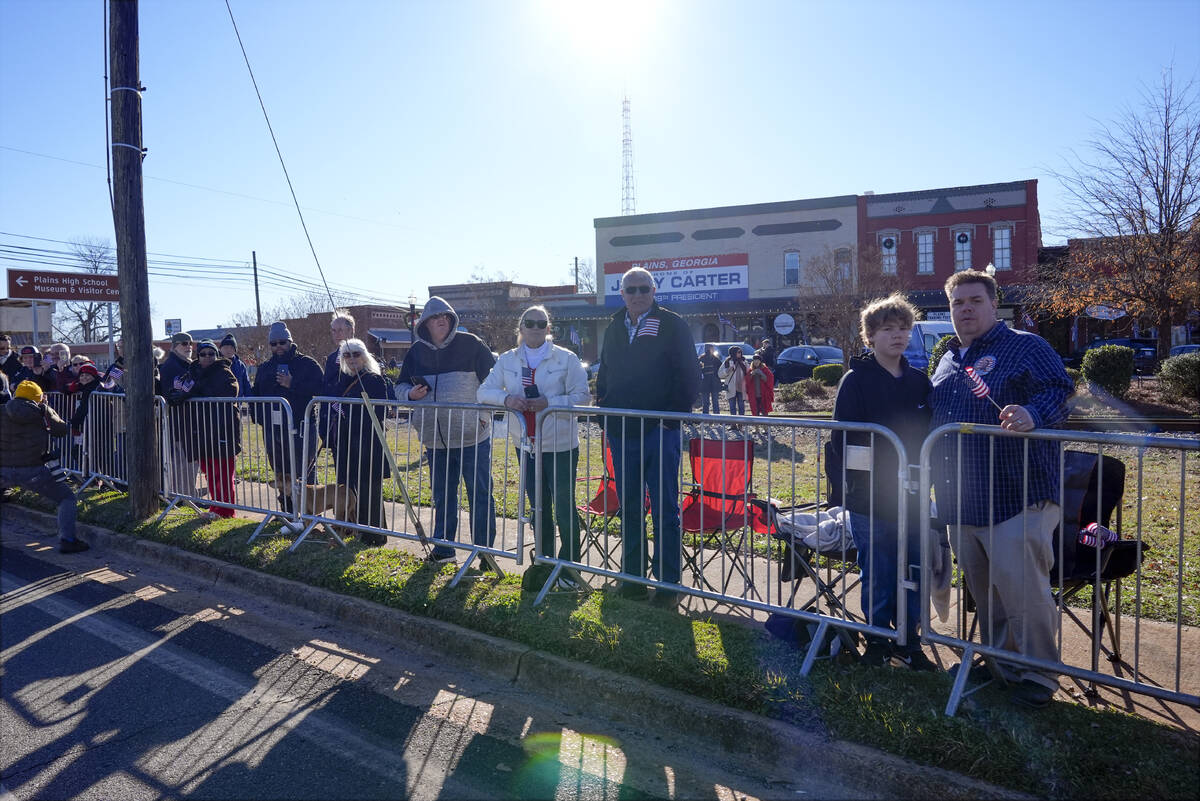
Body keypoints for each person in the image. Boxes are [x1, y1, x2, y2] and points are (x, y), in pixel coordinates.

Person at [929, 270, 1074, 709]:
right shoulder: (948, 359)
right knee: (987, 593)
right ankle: (999, 664)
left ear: (995, 306)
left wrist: (1034, 412)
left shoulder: (1026, 345)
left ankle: (1038, 676)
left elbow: (1062, 391)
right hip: (963, 500)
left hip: (1018, 494)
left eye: (975, 300)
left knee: (1022, 590)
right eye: (958, 302)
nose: (966, 309)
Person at [828, 294, 935, 671]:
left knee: (915, 569)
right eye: (888, 329)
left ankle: (910, 642)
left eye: (904, 328)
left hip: (914, 494)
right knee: (878, 568)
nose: (898, 336)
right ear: (870, 336)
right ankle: (877, 640)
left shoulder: (921, 382)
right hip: (870, 497)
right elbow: (842, 439)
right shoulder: (855, 381)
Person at [596, 267, 698, 603]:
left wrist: (671, 419)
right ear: (621, 293)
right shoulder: (612, 328)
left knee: (666, 508)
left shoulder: (672, 324)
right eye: (631, 289)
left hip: (660, 431)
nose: (637, 294)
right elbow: (605, 375)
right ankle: (633, 579)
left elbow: (689, 374)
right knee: (629, 507)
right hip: (623, 433)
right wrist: (605, 415)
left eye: (643, 288)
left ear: (653, 291)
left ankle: (669, 584)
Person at [478, 305, 591, 587]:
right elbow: (484, 391)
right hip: (526, 445)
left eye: (541, 323)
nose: (536, 327)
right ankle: (544, 562)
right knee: (538, 506)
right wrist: (507, 400)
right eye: (530, 323)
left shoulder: (566, 358)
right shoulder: (507, 360)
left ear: (548, 328)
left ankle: (569, 568)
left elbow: (583, 396)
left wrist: (549, 403)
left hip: (560, 444)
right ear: (521, 327)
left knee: (564, 507)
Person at [395, 297, 497, 564]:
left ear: (452, 320)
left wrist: (483, 416)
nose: (441, 320)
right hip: (435, 440)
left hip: (473, 436)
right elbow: (399, 387)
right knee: (442, 495)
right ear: (425, 324)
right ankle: (443, 550)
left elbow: (495, 382)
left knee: (480, 494)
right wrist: (410, 394)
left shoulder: (472, 344)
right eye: (435, 317)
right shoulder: (415, 352)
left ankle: (486, 554)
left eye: (446, 316)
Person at [0, 380, 88, 553]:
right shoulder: (41, 411)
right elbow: (62, 430)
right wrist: (47, 408)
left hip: (3, 469)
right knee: (66, 498)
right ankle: (68, 540)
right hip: (33, 470)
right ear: (38, 398)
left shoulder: (2, 410)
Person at [251, 321, 324, 517]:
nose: (278, 347)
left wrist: (293, 383)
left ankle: (310, 516)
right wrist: (261, 418)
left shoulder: (307, 364)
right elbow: (254, 395)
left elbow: (321, 390)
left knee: (304, 470)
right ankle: (287, 513)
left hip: (302, 427)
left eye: (282, 342)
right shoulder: (265, 367)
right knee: (281, 471)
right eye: (273, 344)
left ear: (290, 341)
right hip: (272, 428)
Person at [329, 338, 391, 544]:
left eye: (356, 354)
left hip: (368, 442)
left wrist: (348, 411)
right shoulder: (343, 380)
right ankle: (355, 530)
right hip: (347, 441)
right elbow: (335, 404)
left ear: (365, 356)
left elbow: (380, 411)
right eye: (347, 354)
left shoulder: (374, 379)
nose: (352, 358)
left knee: (369, 490)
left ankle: (375, 535)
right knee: (350, 488)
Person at [172, 340, 241, 519]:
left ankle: (226, 512)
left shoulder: (224, 371)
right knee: (209, 474)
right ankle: (215, 508)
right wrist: (178, 396)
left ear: (216, 355)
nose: (208, 357)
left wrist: (193, 393)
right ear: (198, 356)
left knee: (223, 475)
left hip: (221, 431)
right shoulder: (191, 373)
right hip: (200, 432)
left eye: (211, 353)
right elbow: (181, 390)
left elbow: (230, 391)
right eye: (203, 354)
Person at [158, 332, 200, 496]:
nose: (189, 346)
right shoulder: (172, 366)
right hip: (179, 424)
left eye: (190, 343)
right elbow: (173, 395)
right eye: (184, 343)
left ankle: (187, 496)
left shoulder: (187, 365)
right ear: (174, 346)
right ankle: (185, 498)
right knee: (182, 464)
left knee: (190, 463)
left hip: (188, 424)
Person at [718, 345, 749, 416]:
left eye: (740, 352)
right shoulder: (727, 362)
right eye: (738, 352)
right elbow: (720, 374)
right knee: (732, 407)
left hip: (741, 388)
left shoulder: (744, 362)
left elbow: (748, 373)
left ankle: (741, 423)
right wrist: (727, 370)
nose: (740, 354)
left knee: (741, 407)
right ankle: (733, 424)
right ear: (733, 353)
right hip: (731, 388)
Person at [697, 343, 723, 415]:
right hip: (706, 383)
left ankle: (714, 418)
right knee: (708, 402)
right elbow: (698, 370)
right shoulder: (703, 358)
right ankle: (711, 418)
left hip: (712, 382)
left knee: (712, 402)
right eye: (712, 348)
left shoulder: (714, 359)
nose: (713, 350)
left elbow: (720, 369)